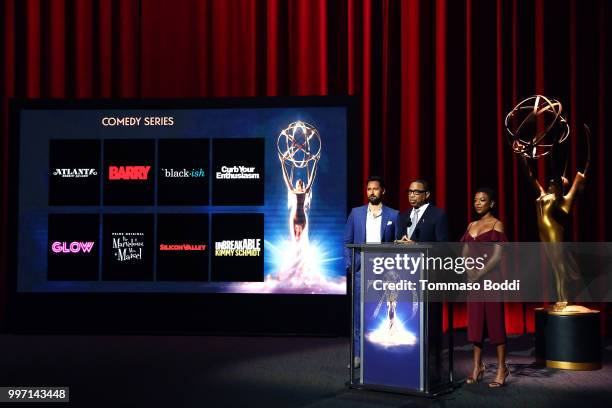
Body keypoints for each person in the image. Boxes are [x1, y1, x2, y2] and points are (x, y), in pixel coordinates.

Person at [344, 176, 399, 368]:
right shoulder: (356, 213)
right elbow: (347, 241)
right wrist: (350, 265)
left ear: (383, 191)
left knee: (384, 311)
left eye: (375, 189)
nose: (372, 192)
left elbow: (398, 244)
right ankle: (358, 355)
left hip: (385, 271)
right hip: (362, 269)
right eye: (369, 189)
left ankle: (380, 352)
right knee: (359, 314)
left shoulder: (394, 215)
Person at [461, 187, 509, 388]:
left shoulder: (497, 225)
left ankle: (501, 368)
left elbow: (497, 257)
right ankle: (477, 367)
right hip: (474, 282)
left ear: (492, 203)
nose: (478, 203)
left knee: (496, 323)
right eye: (475, 200)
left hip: (491, 280)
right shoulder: (471, 225)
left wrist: (478, 274)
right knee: (476, 324)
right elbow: (464, 254)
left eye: (482, 200)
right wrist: (468, 272)